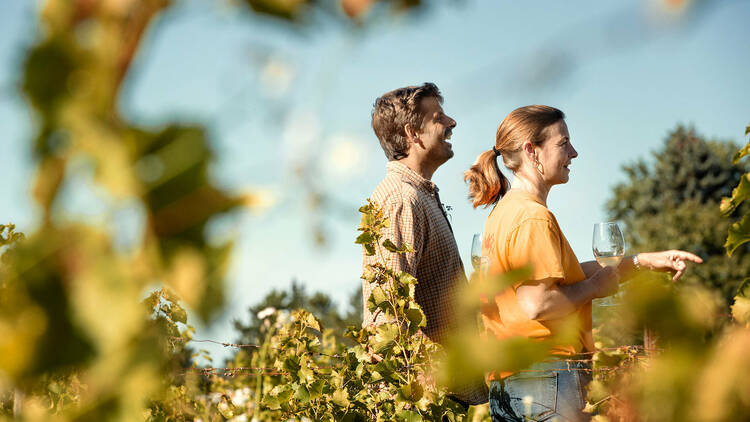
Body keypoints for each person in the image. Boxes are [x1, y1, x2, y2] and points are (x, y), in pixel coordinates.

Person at [464, 105, 702, 421]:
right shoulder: (534, 217)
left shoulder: (504, 213)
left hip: (512, 382)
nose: (573, 153)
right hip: (548, 376)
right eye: (563, 143)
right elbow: (537, 303)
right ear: (531, 151)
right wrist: (593, 288)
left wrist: (640, 261)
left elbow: (561, 280)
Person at [362, 82, 487, 406]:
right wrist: (436, 387)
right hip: (422, 401)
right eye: (439, 117)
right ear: (413, 133)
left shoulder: (418, 196)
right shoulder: (401, 201)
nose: (451, 123)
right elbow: (386, 318)